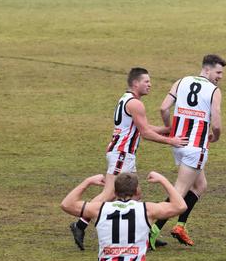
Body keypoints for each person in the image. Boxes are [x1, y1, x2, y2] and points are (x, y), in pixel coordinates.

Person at [69, 68, 188, 250]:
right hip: (122, 154)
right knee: (109, 194)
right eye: (146, 81)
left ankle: (143, 233)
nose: (150, 85)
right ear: (135, 83)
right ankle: (80, 225)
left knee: (136, 194)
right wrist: (171, 140)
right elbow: (146, 132)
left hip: (122, 153)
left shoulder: (127, 100)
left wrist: (167, 130)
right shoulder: (136, 104)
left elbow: (143, 126)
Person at [149, 54, 225, 249]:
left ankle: (180, 226)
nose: (220, 76)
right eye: (218, 72)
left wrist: (171, 130)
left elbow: (164, 108)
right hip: (195, 147)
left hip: (179, 144)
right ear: (206, 70)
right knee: (179, 193)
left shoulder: (181, 82)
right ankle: (150, 231)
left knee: (200, 186)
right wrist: (215, 136)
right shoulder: (214, 91)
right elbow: (216, 123)